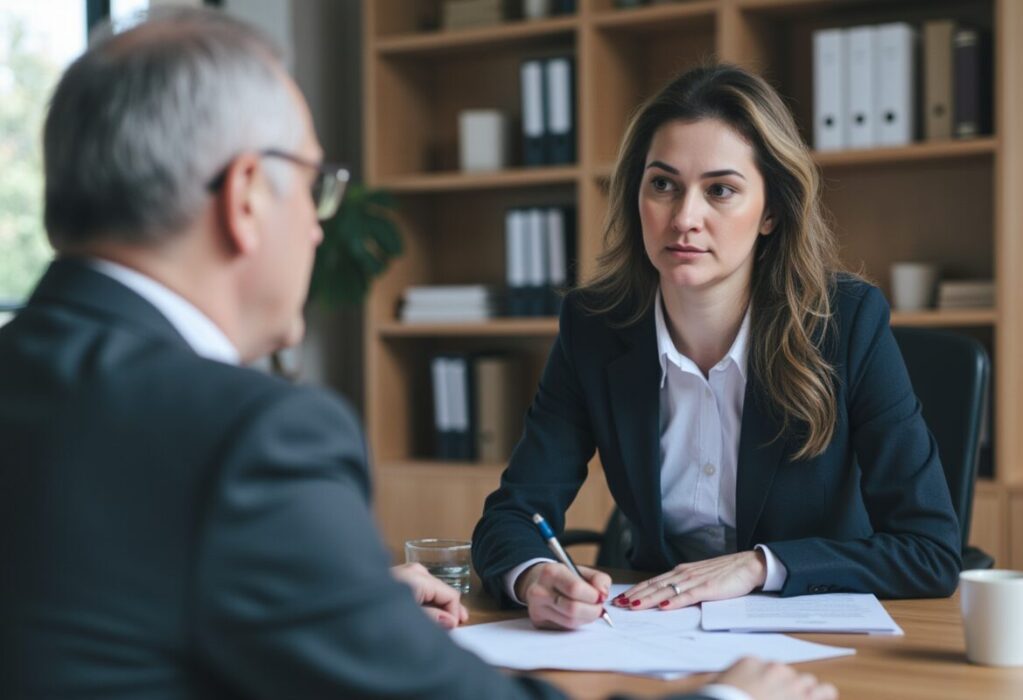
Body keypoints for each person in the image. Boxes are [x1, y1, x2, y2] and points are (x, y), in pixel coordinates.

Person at [0, 9, 838, 700]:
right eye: (317, 184)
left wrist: (341, 604)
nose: (322, 223)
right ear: (249, 196)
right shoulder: (243, 441)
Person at [471, 63, 962, 631]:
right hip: (653, 638)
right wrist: (535, 576)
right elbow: (513, 515)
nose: (684, 218)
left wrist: (760, 566)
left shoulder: (846, 323)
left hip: (816, 638)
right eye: (663, 184)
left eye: (720, 190)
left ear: (771, 211)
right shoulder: (594, 328)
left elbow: (930, 551)